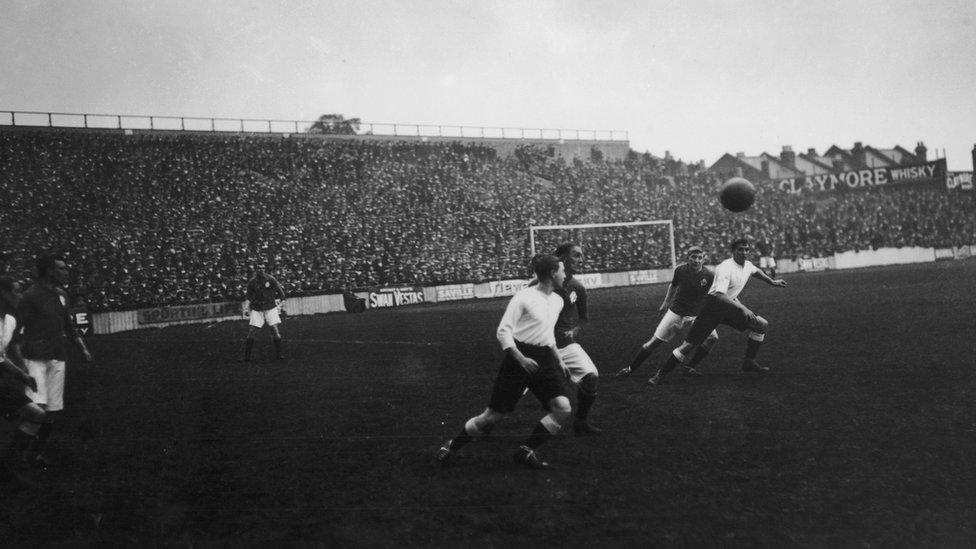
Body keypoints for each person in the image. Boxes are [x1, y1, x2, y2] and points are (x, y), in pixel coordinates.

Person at [436, 254, 571, 470]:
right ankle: (452, 445)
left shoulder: (558, 300)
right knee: (492, 417)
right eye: (562, 270)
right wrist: (521, 358)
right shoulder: (523, 297)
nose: (566, 275)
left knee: (562, 408)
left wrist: (558, 359)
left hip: (544, 358)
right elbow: (503, 331)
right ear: (553, 273)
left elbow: (547, 333)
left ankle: (526, 451)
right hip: (518, 358)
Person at [653, 237, 787, 382]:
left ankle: (748, 362)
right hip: (712, 307)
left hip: (729, 307)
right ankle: (660, 375)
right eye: (740, 249)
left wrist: (772, 281)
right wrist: (742, 308)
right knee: (688, 345)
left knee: (761, 325)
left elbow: (756, 271)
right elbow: (719, 295)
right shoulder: (725, 267)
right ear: (733, 251)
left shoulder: (747, 265)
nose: (744, 252)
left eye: (746, 249)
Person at [9, 255, 93, 470]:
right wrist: (21, 364)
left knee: (52, 413)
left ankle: (34, 455)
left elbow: (68, 326)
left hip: (58, 358)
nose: (66, 272)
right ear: (49, 271)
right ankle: (14, 461)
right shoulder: (30, 296)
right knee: (37, 411)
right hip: (35, 360)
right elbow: (16, 332)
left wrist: (82, 348)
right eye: (62, 268)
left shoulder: (62, 295)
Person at [615, 246, 719, 381]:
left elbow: (716, 293)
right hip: (677, 311)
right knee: (654, 342)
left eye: (700, 258)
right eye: (693, 257)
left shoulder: (709, 275)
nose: (697, 261)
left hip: (696, 315)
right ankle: (630, 369)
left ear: (704, 259)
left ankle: (689, 367)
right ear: (688, 258)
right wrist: (665, 303)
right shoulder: (680, 270)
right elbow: (673, 285)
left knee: (713, 337)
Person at [0, 276, 45, 491]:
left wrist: (23, 375)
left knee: (36, 414)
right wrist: (21, 374)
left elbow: (0, 356)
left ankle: (9, 468)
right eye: (16, 291)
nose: (20, 295)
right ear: (3, 293)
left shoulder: (9, 320)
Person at [550, 243, 601, 434]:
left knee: (591, 377)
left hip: (565, 345)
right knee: (514, 391)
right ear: (563, 258)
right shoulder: (543, 285)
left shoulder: (577, 287)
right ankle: (488, 421)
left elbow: (583, 318)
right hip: (539, 348)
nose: (582, 259)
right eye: (577, 255)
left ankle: (580, 422)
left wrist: (574, 331)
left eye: (582, 255)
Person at [241, 267, 286, 362]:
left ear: (264, 269)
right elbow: (248, 297)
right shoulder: (252, 282)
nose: (260, 270)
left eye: (262, 268)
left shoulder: (271, 279)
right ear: (256, 270)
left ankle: (279, 354)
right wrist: (246, 308)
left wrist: (283, 305)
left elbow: (281, 293)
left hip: (270, 308)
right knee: (252, 331)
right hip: (257, 309)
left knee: (274, 330)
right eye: (258, 268)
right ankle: (247, 357)